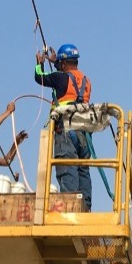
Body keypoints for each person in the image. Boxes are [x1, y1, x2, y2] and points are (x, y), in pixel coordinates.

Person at [34, 42, 92, 208]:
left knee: (67, 169)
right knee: (83, 171)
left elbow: (40, 78)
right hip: (84, 132)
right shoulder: (87, 81)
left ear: (64, 63)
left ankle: (70, 209)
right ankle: (85, 208)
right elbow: (69, 83)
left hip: (65, 131)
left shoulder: (61, 77)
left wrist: (40, 63)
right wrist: (55, 62)